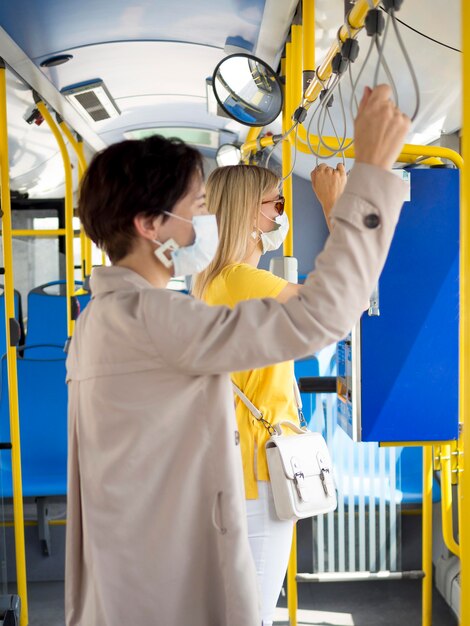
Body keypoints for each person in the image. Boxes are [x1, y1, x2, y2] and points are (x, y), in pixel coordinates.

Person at [65, 85, 410, 626]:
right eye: (198, 208)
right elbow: (322, 316)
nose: (207, 222)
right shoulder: (153, 320)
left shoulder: (99, 320)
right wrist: (369, 176)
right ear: (151, 225)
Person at [192, 161, 347, 626]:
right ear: (248, 215)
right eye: (275, 204)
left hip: (237, 473)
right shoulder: (240, 280)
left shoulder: (214, 282)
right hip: (257, 479)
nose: (282, 214)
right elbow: (337, 304)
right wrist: (333, 205)